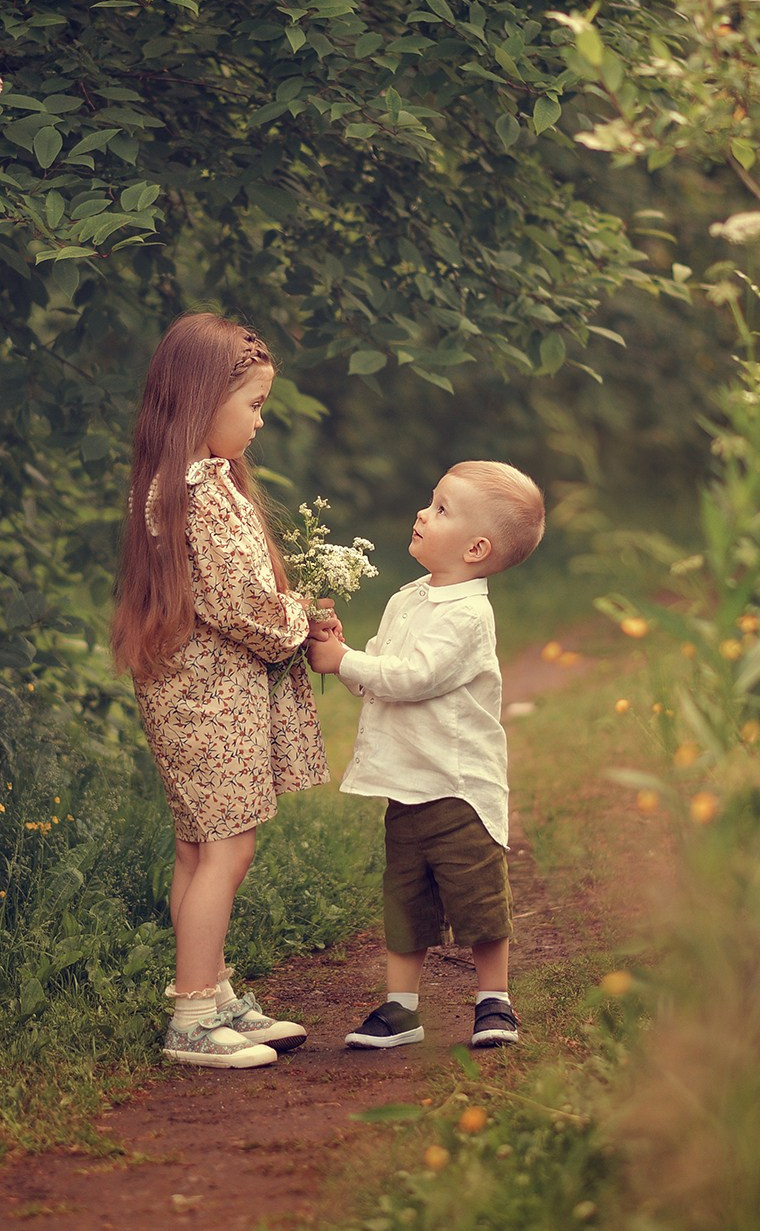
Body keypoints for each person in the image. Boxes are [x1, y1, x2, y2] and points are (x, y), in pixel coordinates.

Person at [111, 313, 329, 1068]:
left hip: (194, 695)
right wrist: (300, 618)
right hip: (209, 701)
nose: (260, 422)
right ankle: (193, 1018)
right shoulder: (197, 492)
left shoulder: (186, 482)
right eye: (254, 404)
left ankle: (211, 992)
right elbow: (242, 605)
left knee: (199, 848)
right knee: (226, 851)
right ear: (204, 400)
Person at [306, 461, 544, 1050]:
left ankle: (494, 1000)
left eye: (441, 509)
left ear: (476, 548)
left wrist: (347, 661)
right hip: (407, 784)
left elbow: (414, 677)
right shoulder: (408, 598)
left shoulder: (468, 615)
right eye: (430, 500)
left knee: (478, 897)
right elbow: (379, 675)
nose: (422, 512)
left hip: (458, 787)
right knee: (405, 897)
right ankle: (401, 1009)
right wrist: (342, 652)